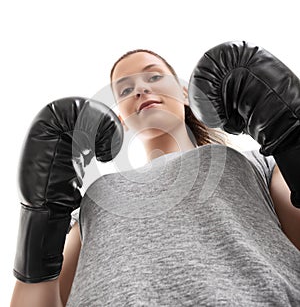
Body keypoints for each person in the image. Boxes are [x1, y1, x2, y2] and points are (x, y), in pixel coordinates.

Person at [11, 49, 300, 306]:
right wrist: (40, 216)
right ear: (121, 117)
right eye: (124, 90)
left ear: (185, 93)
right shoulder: (94, 201)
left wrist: (292, 132)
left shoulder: (258, 163)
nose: (139, 89)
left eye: (153, 77)